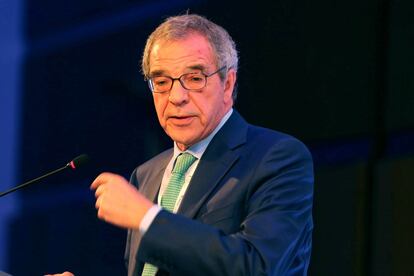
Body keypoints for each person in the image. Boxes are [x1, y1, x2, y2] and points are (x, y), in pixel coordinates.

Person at [50, 14, 314, 276]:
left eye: (195, 79)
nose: (176, 97)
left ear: (228, 83)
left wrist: (148, 218)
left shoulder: (276, 157)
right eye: (162, 82)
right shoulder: (146, 175)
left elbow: (259, 267)